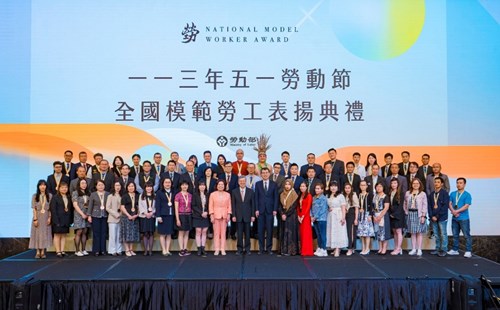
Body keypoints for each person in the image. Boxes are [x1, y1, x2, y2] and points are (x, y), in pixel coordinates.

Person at [254, 167, 278, 255]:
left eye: (266, 172)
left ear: (269, 174)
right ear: (261, 174)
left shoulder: (274, 184)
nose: (265, 174)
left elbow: (276, 198)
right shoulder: (258, 184)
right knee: (260, 230)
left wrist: (275, 209)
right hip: (260, 210)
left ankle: (269, 248)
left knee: (270, 230)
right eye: (263, 173)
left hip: (270, 211)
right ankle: (261, 248)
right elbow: (256, 198)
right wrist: (256, 209)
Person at [448, 177, 473, 258]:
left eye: (460, 183)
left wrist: (456, 211)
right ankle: (455, 250)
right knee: (455, 235)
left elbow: (466, 206)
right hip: (455, 218)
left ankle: (468, 251)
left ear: (464, 184)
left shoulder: (467, 194)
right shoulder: (452, 193)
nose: (458, 184)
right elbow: (449, 203)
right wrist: (453, 211)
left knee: (466, 235)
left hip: (464, 218)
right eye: (457, 182)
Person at [403, 178, 428, 256]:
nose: (415, 185)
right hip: (410, 214)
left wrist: (423, 215)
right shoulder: (408, 193)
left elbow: (425, 205)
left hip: (419, 214)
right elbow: (405, 203)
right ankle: (413, 249)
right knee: (412, 233)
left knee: (419, 232)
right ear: (411, 184)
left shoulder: (422, 194)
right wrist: (406, 211)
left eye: (417, 183)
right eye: (414, 183)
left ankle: (419, 249)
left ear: (420, 184)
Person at [231, 176, 255, 255]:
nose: (242, 183)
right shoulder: (234, 191)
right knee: (239, 234)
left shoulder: (251, 191)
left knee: (248, 234)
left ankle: (248, 249)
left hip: (248, 216)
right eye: (240, 181)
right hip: (238, 216)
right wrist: (233, 215)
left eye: (243, 181)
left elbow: (253, 205)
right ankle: (239, 249)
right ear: (238, 182)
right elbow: (233, 205)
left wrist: (252, 215)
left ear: (246, 182)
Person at [29, 180, 52, 259]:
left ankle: (43, 251)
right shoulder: (35, 196)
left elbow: (51, 209)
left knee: (45, 234)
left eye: (44, 185)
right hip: (38, 216)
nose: (43, 187)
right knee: (37, 234)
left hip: (46, 217)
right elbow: (34, 208)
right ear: (38, 187)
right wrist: (35, 219)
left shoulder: (49, 195)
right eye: (41, 185)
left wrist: (49, 218)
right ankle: (37, 251)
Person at [428, 177, 450, 257]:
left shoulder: (445, 193)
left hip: (442, 217)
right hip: (433, 218)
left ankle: (444, 249)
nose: (436, 183)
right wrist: (431, 216)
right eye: (435, 182)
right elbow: (429, 206)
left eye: (438, 182)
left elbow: (445, 206)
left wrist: (437, 216)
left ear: (442, 184)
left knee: (443, 234)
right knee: (436, 234)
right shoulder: (431, 194)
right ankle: (437, 249)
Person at [209, 180, 232, 255]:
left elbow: (229, 206)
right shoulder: (212, 194)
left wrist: (228, 214)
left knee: (223, 233)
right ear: (217, 185)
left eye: (222, 184)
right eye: (219, 184)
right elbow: (210, 206)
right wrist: (211, 215)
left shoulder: (227, 194)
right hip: (215, 216)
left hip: (224, 216)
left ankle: (222, 249)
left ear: (224, 186)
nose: (221, 186)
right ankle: (216, 249)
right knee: (216, 233)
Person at [50, 182, 72, 258]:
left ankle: (62, 250)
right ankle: (58, 251)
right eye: (62, 187)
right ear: (59, 188)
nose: (64, 189)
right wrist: (55, 220)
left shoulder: (68, 197)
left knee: (63, 235)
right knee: (57, 235)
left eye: (66, 187)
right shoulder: (55, 197)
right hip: (58, 220)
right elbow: (53, 210)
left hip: (66, 219)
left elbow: (70, 209)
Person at [87, 180, 109, 256]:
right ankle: (96, 250)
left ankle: (103, 250)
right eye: (99, 185)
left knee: (103, 233)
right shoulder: (93, 194)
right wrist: (89, 215)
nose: (101, 186)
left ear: (104, 186)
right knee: (96, 233)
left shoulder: (107, 194)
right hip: (95, 215)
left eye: (102, 185)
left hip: (105, 216)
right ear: (96, 186)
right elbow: (90, 205)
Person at [326, 181, 348, 257]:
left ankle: (338, 248)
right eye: (331, 186)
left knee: (339, 231)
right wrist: (329, 209)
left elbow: (343, 207)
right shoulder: (328, 195)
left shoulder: (341, 196)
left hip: (338, 215)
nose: (333, 187)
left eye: (335, 186)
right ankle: (334, 247)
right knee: (332, 231)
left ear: (337, 187)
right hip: (331, 216)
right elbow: (328, 206)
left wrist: (343, 217)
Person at [155, 178, 175, 256]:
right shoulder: (159, 193)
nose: (167, 184)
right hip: (162, 215)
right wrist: (158, 216)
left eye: (169, 182)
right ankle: (163, 250)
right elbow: (157, 205)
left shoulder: (173, 192)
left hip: (171, 215)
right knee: (162, 234)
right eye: (166, 182)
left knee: (169, 234)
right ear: (163, 184)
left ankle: (167, 249)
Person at [278, 179, 299, 256]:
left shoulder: (294, 194)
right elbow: (279, 205)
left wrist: (286, 214)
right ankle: (283, 250)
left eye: (289, 184)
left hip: (291, 216)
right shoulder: (281, 194)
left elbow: (293, 206)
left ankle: (291, 250)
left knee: (290, 233)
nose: (287, 186)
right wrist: (282, 214)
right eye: (286, 184)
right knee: (283, 232)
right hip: (283, 216)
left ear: (291, 185)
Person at [71, 178, 91, 256]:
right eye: (82, 183)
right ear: (79, 184)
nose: (84, 185)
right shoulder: (75, 193)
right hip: (78, 214)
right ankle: (77, 250)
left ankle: (83, 249)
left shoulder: (88, 193)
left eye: (85, 183)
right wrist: (82, 214)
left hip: (86, 214)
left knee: (85, 232)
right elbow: (75, 204)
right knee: (79, 231)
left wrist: (88, 214)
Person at [120, 181, 140, 256]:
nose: (131, 188)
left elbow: (139, 206)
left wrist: (137, 214)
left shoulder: (138, 195)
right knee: (126, 234)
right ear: (127, 187)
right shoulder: (124, 196)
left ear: (135, 187)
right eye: (129, 186)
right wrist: (129, 215)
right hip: (126, 217)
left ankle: (131, 249)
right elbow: (122, 207)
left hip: (135, 217)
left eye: (132, 186)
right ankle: (127, 249)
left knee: (132, 234)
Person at [175, 181, 193, 256]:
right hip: (181, 215)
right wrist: (177, 219)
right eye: (183, 185)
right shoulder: (178, 195)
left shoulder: (190, 195)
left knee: (187, 233)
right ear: (181, 186)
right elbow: (176, 208)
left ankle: (185, 248)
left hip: (189, 215)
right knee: (181, 233)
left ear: (188, 186)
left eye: (186, 185)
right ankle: (181, 249)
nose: (184, 186)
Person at [373, 182, 391, 255]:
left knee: (384, 232)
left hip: (383, 215)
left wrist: (380, 216)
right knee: (378, 233)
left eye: (380, 186)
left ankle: (384, 249)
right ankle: (380, 248)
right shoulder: (375, 196)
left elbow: (386, 207)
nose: (378, 188)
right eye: (377, 186)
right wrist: (374, 216)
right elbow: (372, 207)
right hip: (375, 215)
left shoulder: (385, 196)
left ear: (383, 187)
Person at [388, 178, 405, 255]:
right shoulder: (390, 192)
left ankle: (398, 248)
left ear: (398, 184)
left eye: (395, 183)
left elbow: (400, 206)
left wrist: (394, 214)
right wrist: (390, 214)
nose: (393, 185)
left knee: (399, 231)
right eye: (392, 183)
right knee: (394, 232)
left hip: (398, 215)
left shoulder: (401, 193)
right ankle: (396, 247)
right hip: (391, 215)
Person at [192, 181, 210, 256]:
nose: (202, 187)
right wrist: (201, 213)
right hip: (197, 215)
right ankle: (199, 248)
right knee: (198, 231)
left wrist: (206, 212)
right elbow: (193, 205)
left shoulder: (208, 195)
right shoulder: (195, 195)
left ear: (205, 187)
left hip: (206, 215)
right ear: (198, 187)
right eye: (200, 185)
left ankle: (203, 248)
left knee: (204, 231)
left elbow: (210, 205)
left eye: (203, 185)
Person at [357, 180, 374, 255]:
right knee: (362, 233)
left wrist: (370, 215)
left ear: (367, 186)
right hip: (360, 216)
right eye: (361, 185)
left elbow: (372, 206)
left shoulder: (369, 195)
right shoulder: (358, 195)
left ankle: (367, 248)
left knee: (367, 233)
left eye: (364, 185)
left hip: (367, 215)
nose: (362, 186)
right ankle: (363, 248)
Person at [138, 182, 156, 256]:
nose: (149, 188)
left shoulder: (155, 196)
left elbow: (156, 206)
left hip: (152, 216)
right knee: (145, 233)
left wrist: (152, 213)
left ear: (152, 188)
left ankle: (150, 250)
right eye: (147, 187)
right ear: (145, 188)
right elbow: (140, 205)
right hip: (144, 217)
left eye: (150, 187)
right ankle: (145, 250)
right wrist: (145, 213)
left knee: (151, 233)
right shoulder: (141, 196)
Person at [106, 181, 123, 256]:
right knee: (112, 235)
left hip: (121, 218)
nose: (118, 187)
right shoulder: (110, 196)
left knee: (119, 235)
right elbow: (107, 208)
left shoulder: (122, 196)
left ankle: (119, 249)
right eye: (116, 185)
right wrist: (116, 214)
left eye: (119, 185)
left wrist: (121, 214)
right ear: (114, 186)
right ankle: (112, 250)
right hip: (112, 218)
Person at [296, 182, 313, 256]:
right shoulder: (299, 195)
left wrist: (303, 216)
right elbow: (297, 206)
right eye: (301, 186)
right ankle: (302, 250)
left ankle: (307, 251)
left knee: (306, 233)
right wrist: (298, 216)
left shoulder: (309, 195)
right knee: (301, 234)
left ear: (306, 187)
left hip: (305, 216)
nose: (302, 187)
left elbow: (308, 207)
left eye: (303, 186)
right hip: (299, 215)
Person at [311, 184, 328, 257]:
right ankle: (320, 248)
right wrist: (311, 216)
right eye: (316, 188)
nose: (316, 190)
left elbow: (322, 209)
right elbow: (311, 208)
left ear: (322, 190)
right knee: (318, 234)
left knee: (322, 234)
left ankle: (324, 249)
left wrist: (315, 216)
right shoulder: (314, 197)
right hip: (314, 219)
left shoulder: (323, 198)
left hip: (321, 219)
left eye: (318, 189)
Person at [344, 183, 359, 256]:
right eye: (346, 188)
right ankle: (350, 247)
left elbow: (356, 208)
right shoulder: (344, 195)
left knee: (351, 232)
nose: (347, 189)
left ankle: (351, 248)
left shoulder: (354, 195)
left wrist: (356, 219)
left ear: (351, 188)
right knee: (347, 232)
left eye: (348, 188)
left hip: (352, 214)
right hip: (346, 214)